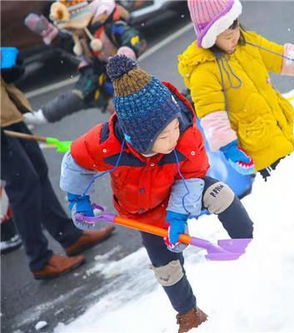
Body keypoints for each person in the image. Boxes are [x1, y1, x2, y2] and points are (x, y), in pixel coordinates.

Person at [60, 55, 254, 332]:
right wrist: (78, 199)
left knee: (220, 194)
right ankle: (189, 315)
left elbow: (191, 176)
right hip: (144, 210)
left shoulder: (185, 134)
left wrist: (177, 217)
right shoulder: (108, 144)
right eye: (164, 136)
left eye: (175, 127)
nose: (174, 137)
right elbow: (75, 163)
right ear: (138, 139)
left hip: (186, 185)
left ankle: (252, 244)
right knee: (167, 269)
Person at [178, 0, 294, 181]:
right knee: (289, 185)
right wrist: (229, 148)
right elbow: (212, 115)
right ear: (211, 38)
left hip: (283, 126)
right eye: (226, 37)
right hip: (259, 145)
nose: (234, 39)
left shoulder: (247, 43)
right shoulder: (203, 70)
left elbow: (277, 56)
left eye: (235, 30)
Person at [0, 52, 114, 280]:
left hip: (7, 112)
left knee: (37, 171)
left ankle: (70, 236)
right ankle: (39, 259)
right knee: (22, 183)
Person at [23, 0, 146, 125]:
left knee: (135, 113)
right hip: (96, 79)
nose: (72, 30)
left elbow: (133, 37)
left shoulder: (109, 26)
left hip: (122, 80)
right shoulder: (83, 33)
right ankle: (42, 116)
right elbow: (73, 46)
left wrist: (126, 53)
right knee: (76, 98)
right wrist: (55, 37)